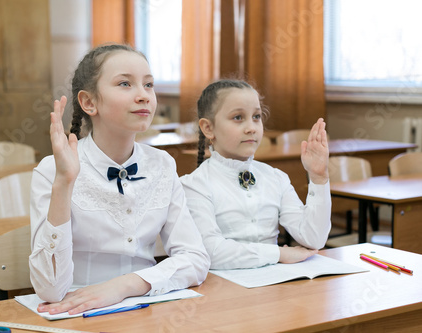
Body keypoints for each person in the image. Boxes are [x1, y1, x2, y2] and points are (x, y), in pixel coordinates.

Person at [29, 43, 210, 315]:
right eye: (125, 84)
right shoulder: (51, 171)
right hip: (76, 311)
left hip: (147, 305)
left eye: (148, 85)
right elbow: (51, 290)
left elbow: (195, 259)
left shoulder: (162, 164)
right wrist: (64, 183)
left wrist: (125, 285)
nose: (144, 96)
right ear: (89, 102)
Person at [180, 79, 331, 270]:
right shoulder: (194, 185)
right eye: (238, 117)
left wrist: (318, 178)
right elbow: (211, 251)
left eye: (256, 116)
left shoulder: (276, 177)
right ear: (208, 128)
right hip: (222, 287)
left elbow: (314, 238)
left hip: (274, 283)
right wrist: (279, 254)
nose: (251, 127)